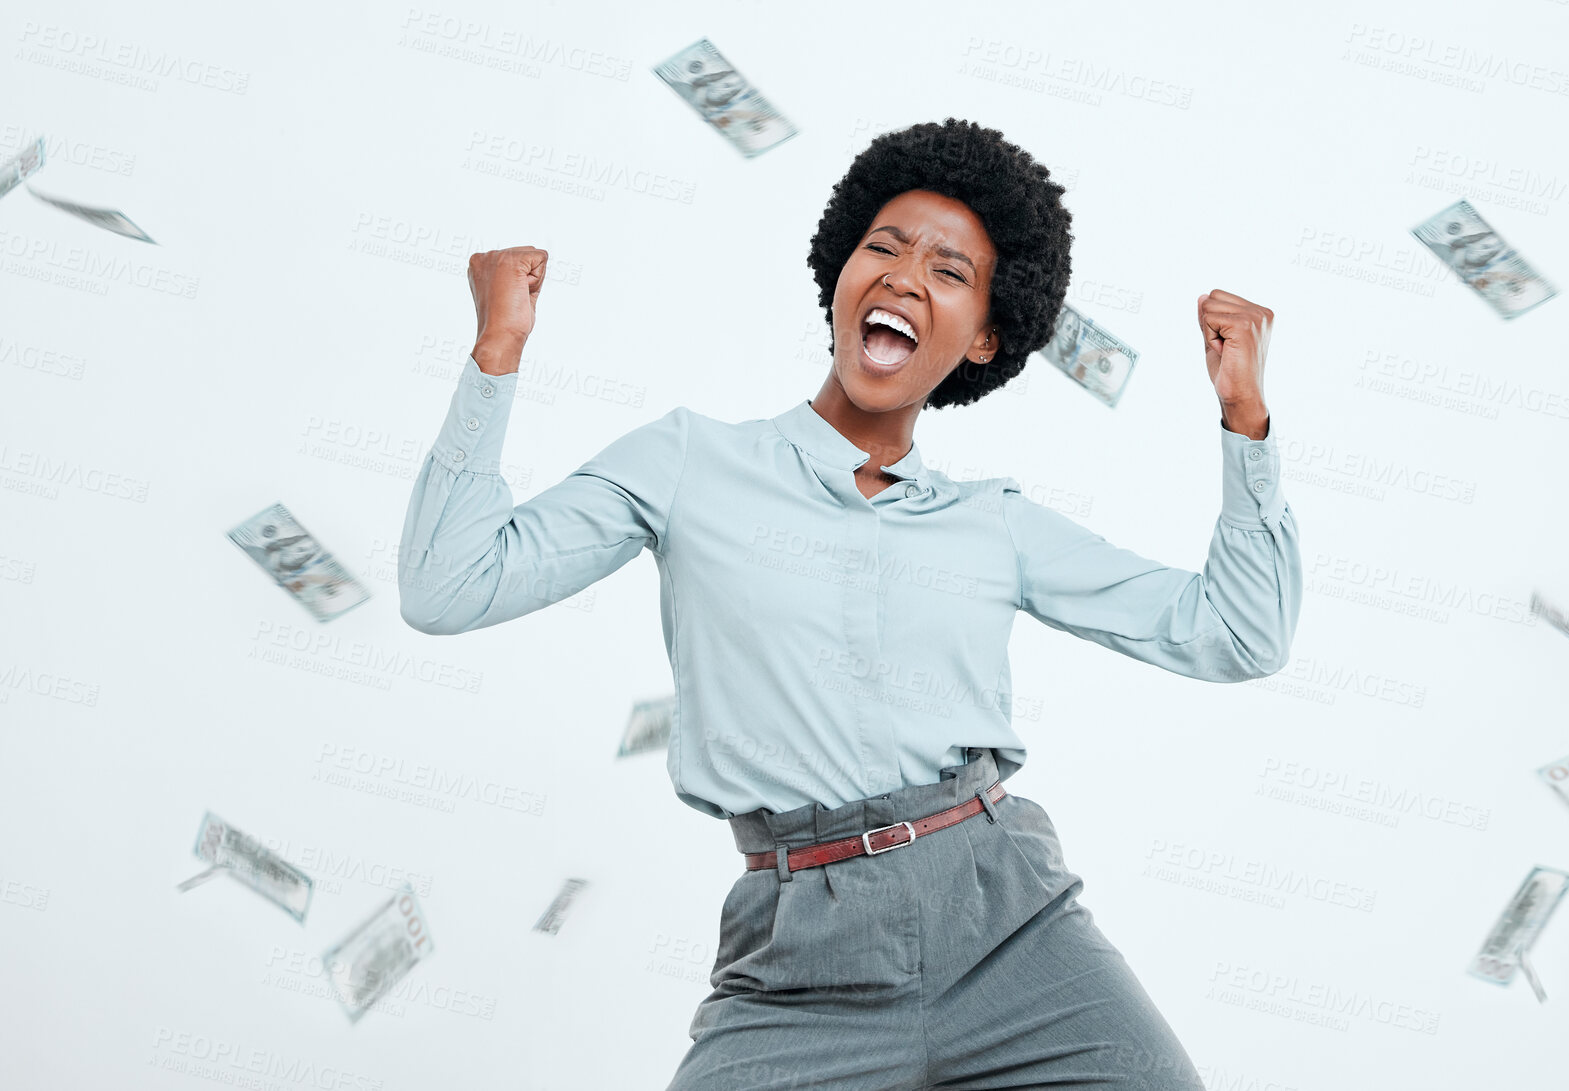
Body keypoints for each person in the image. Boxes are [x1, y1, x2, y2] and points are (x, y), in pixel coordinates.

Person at [397, 118, 1301, 1090]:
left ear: (987, 335)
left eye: (949, 271)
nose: (906, 277)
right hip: (798, 961)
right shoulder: (689, 462)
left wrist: (1244, 418)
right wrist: (497, 350)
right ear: (839, 275)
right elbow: (449, 585)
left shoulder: (991, 521)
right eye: (883, 247)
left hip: (1010, 925)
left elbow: (1237, 634)